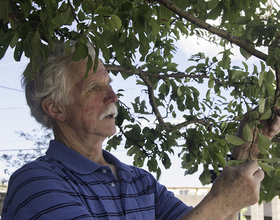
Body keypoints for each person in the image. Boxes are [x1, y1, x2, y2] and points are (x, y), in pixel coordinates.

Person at [1, 42, 280, 220]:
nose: (113, 96)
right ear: (56, 109)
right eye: (94, 88)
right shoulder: (35, 184)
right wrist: (220, 203)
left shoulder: (139, 181)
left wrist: (244, 154)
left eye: (109, 84)